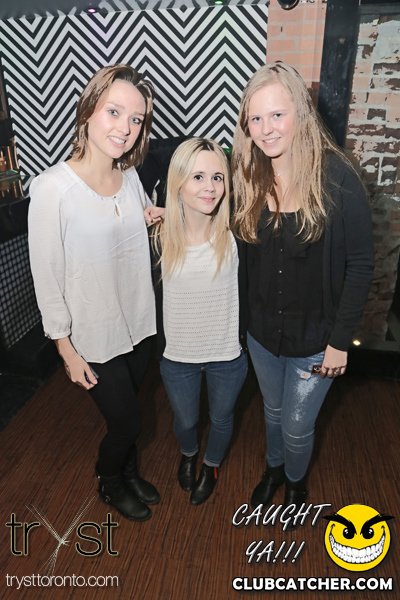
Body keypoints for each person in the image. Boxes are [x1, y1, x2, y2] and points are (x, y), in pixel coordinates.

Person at [231, 62, 374, 529]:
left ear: (301, 113)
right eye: (256, 119)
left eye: (277, 115)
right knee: (272, 413)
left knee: (296, 425)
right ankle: (274, 470)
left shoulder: (338, 178)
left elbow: (360, 266)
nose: (266, 129)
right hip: (262, 336)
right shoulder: (248, 175)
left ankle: (295, 484)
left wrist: (340, 342)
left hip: (317, 341)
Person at [28, 64, 160, 522]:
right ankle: (109, 481)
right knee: (127, 422)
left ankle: (129, 472)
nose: (125, 127)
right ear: (88, 111)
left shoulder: (130, 176)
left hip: (139, 322)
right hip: (94, 335)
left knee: (132, 411)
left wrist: (171, 212)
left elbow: (135, 219)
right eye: (114, 112)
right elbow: (46, 277)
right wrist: (65, 349)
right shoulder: (52, 189)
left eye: (136, 118)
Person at [150, 138, 248, 505]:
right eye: (198, 177)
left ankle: (211, 464)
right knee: (186, 421)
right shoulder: (157, 238)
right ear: (177, 182)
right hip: (178, 359)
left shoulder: (237, 236)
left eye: (218, 177)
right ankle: (189, 454)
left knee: (222, 418)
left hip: (228, 356)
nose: (210, 187)